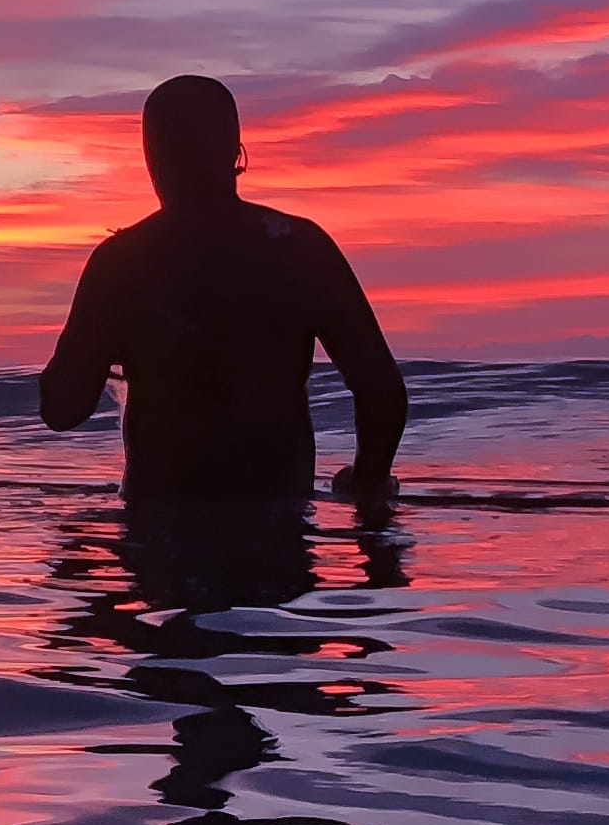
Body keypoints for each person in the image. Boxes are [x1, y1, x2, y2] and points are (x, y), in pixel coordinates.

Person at [38, 74, 405, 506]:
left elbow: (62, 409)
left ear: (151, 157)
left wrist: (105, 345)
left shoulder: (121, 262)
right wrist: (366, 482)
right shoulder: (301, 247)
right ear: (235, 151)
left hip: (161, 527)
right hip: (276, 523)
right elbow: (382, 390)